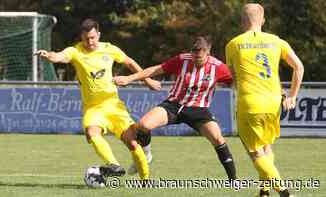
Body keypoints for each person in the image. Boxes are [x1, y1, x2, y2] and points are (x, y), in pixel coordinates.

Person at [37, 18, 159, 180]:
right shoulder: (76, 51)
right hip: (93, 108)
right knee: (91, 132)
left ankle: (145, 180)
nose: (90, 41)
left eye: (93, 37)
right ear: (81, 37)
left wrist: (147, 80)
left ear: (99, 35)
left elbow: (130, 62)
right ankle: (114, 165)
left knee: (132, 143)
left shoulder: (110, 49)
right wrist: (49, 55)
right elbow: (60, 56)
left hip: (114, 106)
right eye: (86, 38)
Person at [114, 36, 237, 181]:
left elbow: (234, 80)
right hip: (174, 105)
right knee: (143, 125)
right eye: (194, 57)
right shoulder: (182, 59)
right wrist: (129, 79)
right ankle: (146, 155)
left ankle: (233, 180)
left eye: (200, 58)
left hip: (199, 110)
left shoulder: (218, 67)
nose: (196, 61)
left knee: (218, 139)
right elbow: (156, 69)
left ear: (208, 54)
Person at [225, 3, 304, 197]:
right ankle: (264, 191)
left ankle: (285, 193)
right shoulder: (277, 41)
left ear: (243, 21)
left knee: (254, 152)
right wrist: (292, 96)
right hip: (273, 103)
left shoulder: (233, 44)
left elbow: (232, 79)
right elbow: (299, 67)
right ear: (263, 20)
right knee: (266, 146)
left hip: (250, 104)